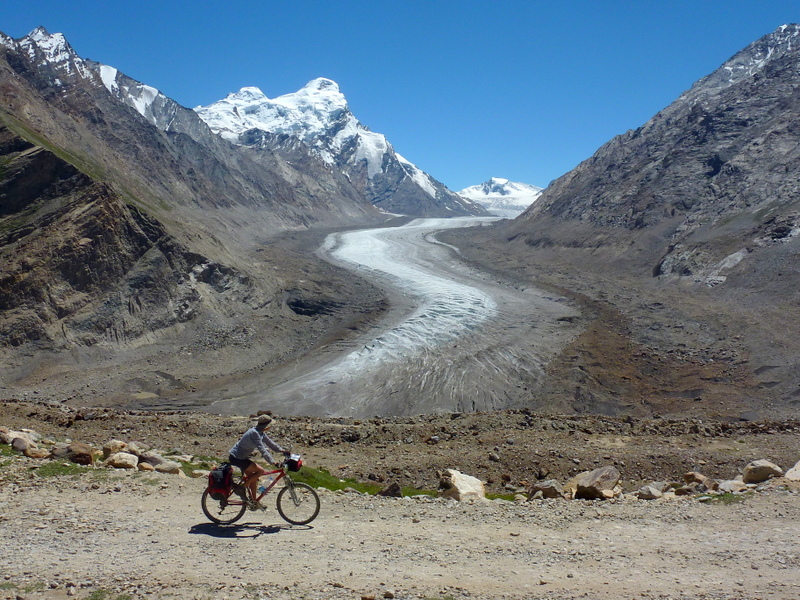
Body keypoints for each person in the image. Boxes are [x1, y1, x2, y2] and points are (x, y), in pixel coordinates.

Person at [229, 415, 290, 509]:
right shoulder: (255, 433)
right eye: (270, 425)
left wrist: (282, 451)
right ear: (266, 426)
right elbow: (262, 450)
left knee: (253, 478)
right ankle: (241, 488)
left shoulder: (260, 432)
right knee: (260, 471)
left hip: (241, 457)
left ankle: (254, 502)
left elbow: (270, 443)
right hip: (237, 458)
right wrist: (273, 463)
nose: (271, 427)